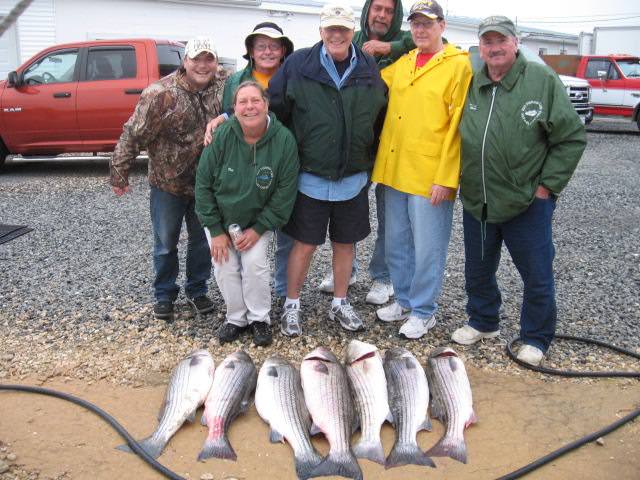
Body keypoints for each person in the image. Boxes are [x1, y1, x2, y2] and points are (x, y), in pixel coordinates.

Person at [451, 16, 586, 365]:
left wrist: (547, 188)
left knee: (536, 273)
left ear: (515, 43)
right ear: (480, 47)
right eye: (487, 42)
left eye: (501, 41)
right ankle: (483, 321)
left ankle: (536, 337)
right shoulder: (474, 81)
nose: (494, 48)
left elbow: (570, 137)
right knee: (478, 270)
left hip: (526, 201)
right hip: (478, 200)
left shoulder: (540, 80)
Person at [268, 1, 387, 337]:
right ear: (321, 30)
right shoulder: (298, 64)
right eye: (330, 29)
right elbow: (274, 108)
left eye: (343, 29)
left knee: (345, 244)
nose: (337, 35)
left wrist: (367, 157)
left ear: (352, 31)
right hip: (310, 177)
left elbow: (379, 117)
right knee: (303, 244)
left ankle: (340, 302)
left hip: (352, 178)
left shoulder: (367, 66)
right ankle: (292, 305)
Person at [372, 0, 472, 339]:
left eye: (428, 23)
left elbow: (459, 126)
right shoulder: (405, 62)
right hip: (396, 168)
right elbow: (369, 83)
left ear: (442, 26)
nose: (421, 30)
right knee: (396, 241)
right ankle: (402, 299)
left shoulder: (459, 66)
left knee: (428, 246)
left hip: (430, 176)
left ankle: (424, 310)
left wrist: (447, 178)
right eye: (416, 23)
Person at [110, 37, 226, 321]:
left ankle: (197, 291)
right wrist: (119, 170)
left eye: (208, 58)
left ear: (216, 62)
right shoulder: (159, 93)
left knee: (203, 242)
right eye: (196, 58)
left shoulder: (225, 85)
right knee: (165, 242)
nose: (202, 65)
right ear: (184, 61)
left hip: (206, 186)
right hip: (167, 184)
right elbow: (133, 133)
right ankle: (164, 294)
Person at [316, 0, 416, 305]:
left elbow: (440, 42)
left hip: (394, 145)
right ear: (367, 11)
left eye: (389, 10)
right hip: (357, 146)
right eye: (377, 9)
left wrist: (390, 47)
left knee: (391, 216)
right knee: (348, 210)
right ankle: (347, 271)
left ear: (396, 15)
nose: (382, 15)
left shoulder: (408, 45)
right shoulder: (351, 40)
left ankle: (383, 276)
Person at [195, 81, 299, 347]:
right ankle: (236, 318)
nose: (249, 107)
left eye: (255, 101)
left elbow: (285, 192)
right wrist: (216, 231)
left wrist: (260, 228)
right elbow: (203, 185)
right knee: (224, 265)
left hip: (257, 220)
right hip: (221, 220)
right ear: (234, 107)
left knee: (255, 265)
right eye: (243, 102)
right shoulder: (221, 136)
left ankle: (259, 318)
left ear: (266, 104)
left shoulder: (284, 140)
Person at [221, 22, 294, 111]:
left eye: (274, 46)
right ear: (251, 52)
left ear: (283, 51)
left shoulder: (293, 80)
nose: (267, 52)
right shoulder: (235, 81)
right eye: (261, 46)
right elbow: (229, 116)